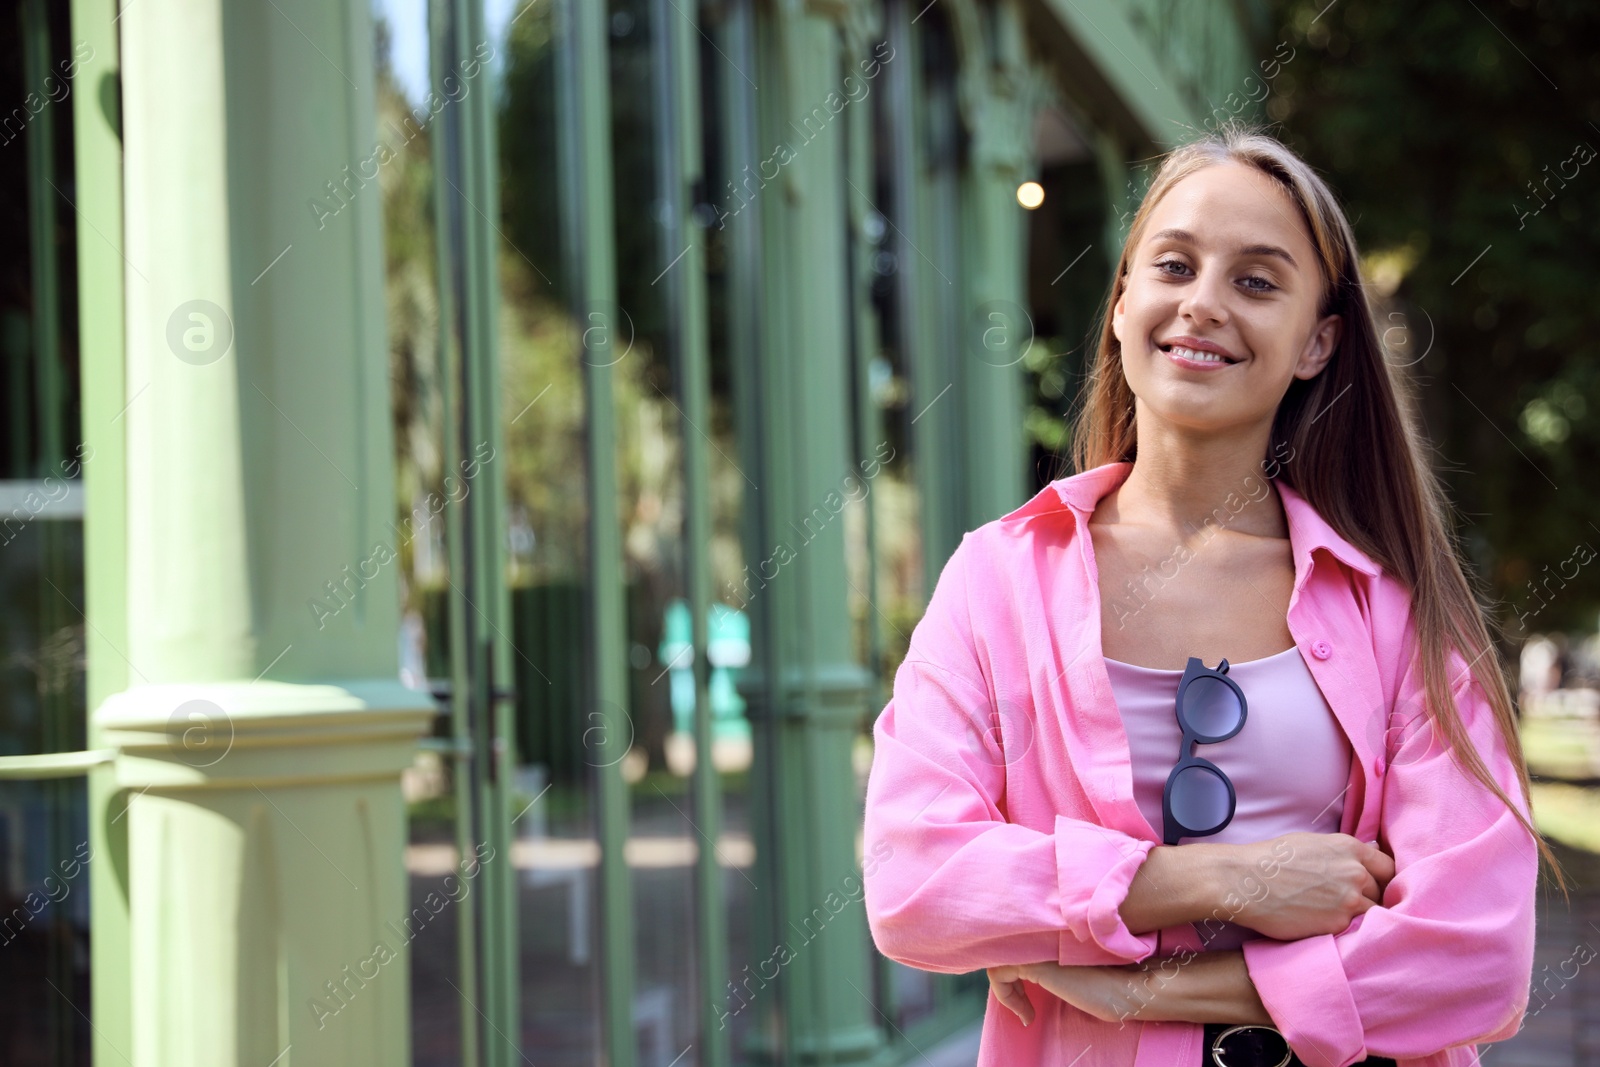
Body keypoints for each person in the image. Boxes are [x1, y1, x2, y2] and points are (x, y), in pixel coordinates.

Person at [861, 123, 1557, 1067]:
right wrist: (1220, 878)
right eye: (1175, 265)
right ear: (1120, 304)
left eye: (1257, 281)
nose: (1204, 305)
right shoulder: (999, 579)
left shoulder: (1391, 609)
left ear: (1318, 343)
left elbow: (1476, 955)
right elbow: (914, 880)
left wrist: (1129, 984)